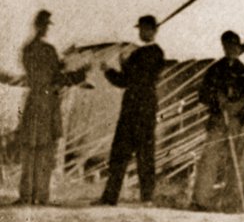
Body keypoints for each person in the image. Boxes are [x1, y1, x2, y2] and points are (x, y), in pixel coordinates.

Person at [13, 11, 89, 205]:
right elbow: (56, 77)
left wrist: (60, 66)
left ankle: (26, 195)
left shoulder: (28, 49)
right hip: (47, 103)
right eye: (46, 25)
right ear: (42, 26)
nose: (46, 28)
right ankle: (42, 195)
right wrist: (80, 74)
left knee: (31, 149)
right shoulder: (48, 50)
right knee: (45, 151)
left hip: (34, 101)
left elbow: (42, 73)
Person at [98, 15, 165, 206]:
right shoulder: (140, 53)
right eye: (141, 29)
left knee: (142, 152)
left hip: (142, 107)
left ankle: (145, 197)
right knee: (123, 151)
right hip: (134, 106)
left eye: (145, 29)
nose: (141, 32)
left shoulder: (153, 53)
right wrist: (113, 69)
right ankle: (112, 197)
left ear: (153, 31)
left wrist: (118, 67)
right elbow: (125, 80)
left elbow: (133, 78)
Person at [191, 30, 244, 212]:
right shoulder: (215, 70)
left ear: (239, 48)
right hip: (219, 120)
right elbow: (203, 94)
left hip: (239, 121)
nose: (232, 50)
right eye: (228, 46)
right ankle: (201, 200)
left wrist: (239, 108)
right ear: (223, 47)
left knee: (237, 161)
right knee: (210, 159)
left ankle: (231, 203)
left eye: (235, 46)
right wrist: (217, 100)